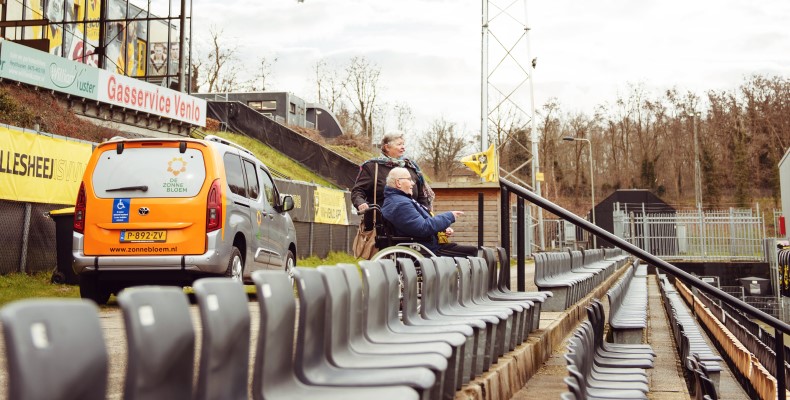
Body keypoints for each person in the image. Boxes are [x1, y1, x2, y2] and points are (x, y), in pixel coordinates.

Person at [381, 167, 478, 257]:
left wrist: (442, 228)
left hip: (426, 245)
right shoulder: (400, 204)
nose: (413, 183)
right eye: (409, 179)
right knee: (472, 251)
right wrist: (449, 216)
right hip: (426, 249)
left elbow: (419, 225)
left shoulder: (399, 201)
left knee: (471, 250)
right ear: (398, 183)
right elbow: (422, 228)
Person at [352, 131, 430, 227]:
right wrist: (361, 203)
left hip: (410, 224)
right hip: (380, 226)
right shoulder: (372, 167)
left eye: (403, 144)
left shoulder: (411, 168)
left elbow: (422, 197)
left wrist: (426, 215)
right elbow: (357, 191)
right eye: (399, 144)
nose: (403, 147)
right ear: (387, 147)